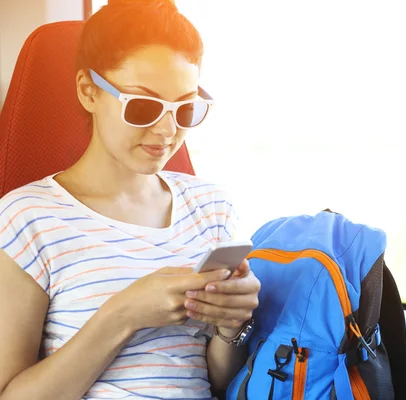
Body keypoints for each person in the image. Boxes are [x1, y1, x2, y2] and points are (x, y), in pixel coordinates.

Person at [0, 0, 260, 399]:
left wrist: (231, 327)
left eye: (184, 108)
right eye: (142, 106)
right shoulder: (28, 218)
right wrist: (122, 316)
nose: (167, 131)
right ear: (89, 91)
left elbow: (216, 381)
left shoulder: (212, 207)